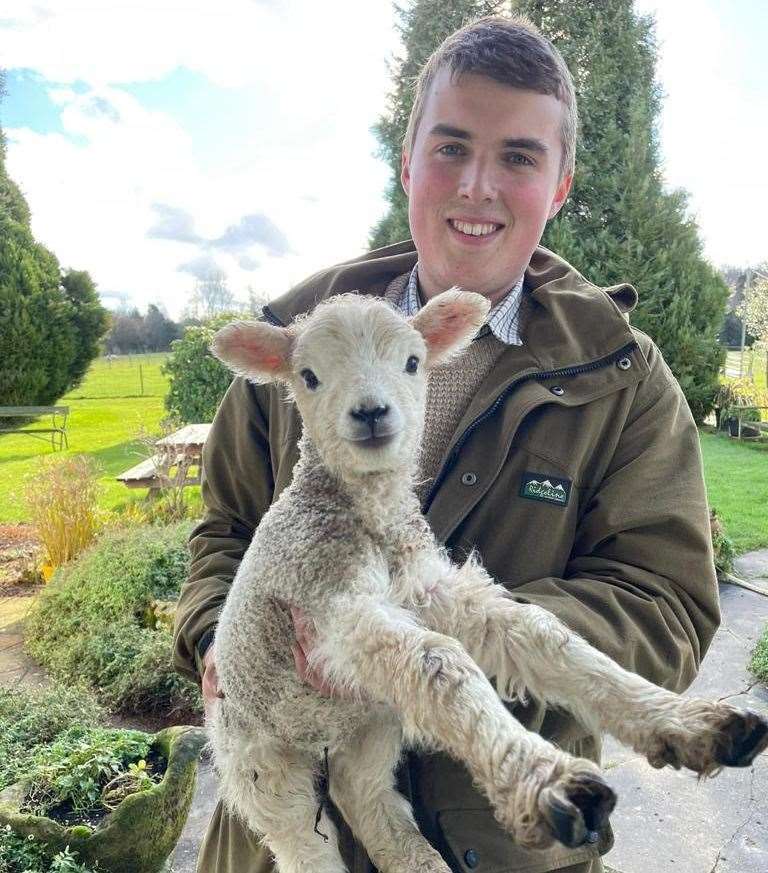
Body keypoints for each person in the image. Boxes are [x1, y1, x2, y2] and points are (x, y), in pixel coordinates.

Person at [173, 14, 719, 873]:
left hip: (500, 846)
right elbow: (222, 535)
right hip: (283, 831)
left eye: (519, 157)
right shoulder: (302, 341)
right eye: (451, 146)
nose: (476, 186)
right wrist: (220, 643)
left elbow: (667, 602)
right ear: (408, 160)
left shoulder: (621, 377)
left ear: (561, 182)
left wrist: (454, 644)